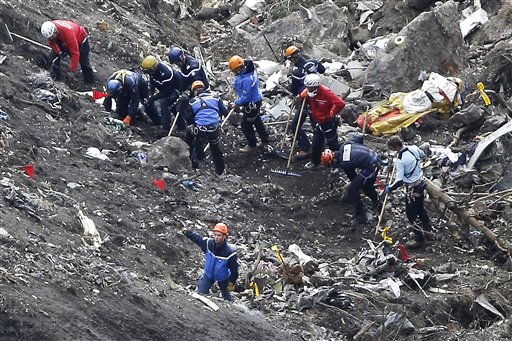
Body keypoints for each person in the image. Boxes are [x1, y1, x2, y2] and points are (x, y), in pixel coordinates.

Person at [321, 134, 384, 224]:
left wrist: (355, 187)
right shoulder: (345, 145)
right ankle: (377, 204)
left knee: (355, 189)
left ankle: (361, 216)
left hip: (371, 166)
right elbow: (360, 137)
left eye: (331, 165)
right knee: (362, 186)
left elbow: (351, 174)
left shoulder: (344, 162)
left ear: (334, 160)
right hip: (373, 157)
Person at [385, 136, 432, 248]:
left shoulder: (400, 160)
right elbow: (423, 155)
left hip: (412, 189)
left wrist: (390, 188)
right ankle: (428, 229)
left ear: (396, 146)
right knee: (420, 209)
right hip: (420, 184)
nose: (391, 149)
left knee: (411, 214)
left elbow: (399, 180)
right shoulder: (413, 148)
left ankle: (419, 239)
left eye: (392, 147)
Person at [283, 45, 325, 159]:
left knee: (295, 125)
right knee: (316, 125)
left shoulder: (297, 72)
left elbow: (294, 89)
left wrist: (295, 97)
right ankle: (321, 149)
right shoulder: (312, 62)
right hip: (318, 98)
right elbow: (322, 70)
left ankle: (307, 148)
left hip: (305, 100)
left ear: (291, 59)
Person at [181, 223, 239, 302]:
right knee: (200, 294)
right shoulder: (208, 244)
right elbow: (197, 238)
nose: (216, 237)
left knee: (227, 297)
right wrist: (186, 232)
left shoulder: (230, 252)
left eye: (219, 235)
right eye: (215, 235)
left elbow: (234, 270)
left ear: (224, 236)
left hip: (223, 277)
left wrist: (232, 282)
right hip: (208, 275)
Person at [299, 74, 344, 169]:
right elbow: (303, 99)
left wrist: (330, 114)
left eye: (310, 88)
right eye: (307, 87)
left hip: (328, 122)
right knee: (316, 142)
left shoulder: (326, 92)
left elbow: (340, 103)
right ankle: (315, 162)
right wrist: (302, 97)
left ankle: (337, 164)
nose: (308, 89)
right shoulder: (308, 93)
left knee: (332, 143)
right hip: (318, 120)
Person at [183, 80, 227, 175]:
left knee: (191, 135)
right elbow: (224, 112)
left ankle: (194, 162)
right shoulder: (216, 98)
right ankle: (220, 171)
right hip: (214, 128)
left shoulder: (192, 102)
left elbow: (189, 120)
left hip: (200, 129)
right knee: (215, 148)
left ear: (194, 91)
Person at [228, 55, 270, 153]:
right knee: (257, 121)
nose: (234, 73)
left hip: (252, 103)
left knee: (245, 125)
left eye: (235, 70)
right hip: (254, 100)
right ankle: (265, 140)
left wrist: (237, 103)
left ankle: (252, 144)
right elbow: (239, 80)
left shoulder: (247, 79)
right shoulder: (246, 72)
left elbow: (247, 96)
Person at [140, 55, 185, 134]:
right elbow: (152, 82)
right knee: (148, 100)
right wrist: (150, 94)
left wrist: (153, 98)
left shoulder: (166, 74)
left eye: (148, 71)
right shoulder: (153, 72)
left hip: (175, 89)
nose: (148, 73)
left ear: (153, 68)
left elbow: (166, 92)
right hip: (164, 87)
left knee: (164, 102)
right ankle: (157, 120)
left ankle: (166, 128)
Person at [40, 20, 95, 84]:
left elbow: (75, 54)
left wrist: (72, 70)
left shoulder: (68, 33)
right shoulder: (51, 28)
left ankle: (90, 83)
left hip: (80, 40)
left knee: (84, 61)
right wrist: (59, 52)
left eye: (52, 36)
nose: (51, 38)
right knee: (53, 55)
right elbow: (52, 43)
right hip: (63, 38)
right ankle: (54, 75)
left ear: (55, 30)